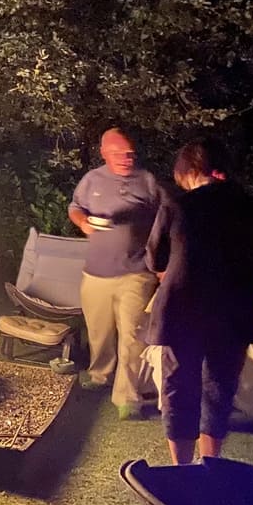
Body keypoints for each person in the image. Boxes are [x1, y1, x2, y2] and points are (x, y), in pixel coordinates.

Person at [145, 138, 253, 464]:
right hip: (235, 311)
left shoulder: (177, 205)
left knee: (179, 388)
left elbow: (155, 259)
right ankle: (210, 467)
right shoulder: (251, 207)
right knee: (218, 388)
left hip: (183, 308)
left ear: (189, 171)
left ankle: (182, 469)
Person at [68, 127, 163, 419]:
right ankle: (100, 376)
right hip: (96, 273)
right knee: (99, 333)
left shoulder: (147, 182)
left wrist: (161, 262)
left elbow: (166, 218)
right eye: (119, 153)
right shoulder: (92, 180)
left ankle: (128, 397)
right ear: (104, 153)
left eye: (130, 153)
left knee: (133, 336)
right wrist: (83, 222)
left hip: (135, 271)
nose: (126, 158)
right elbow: (75, 206)